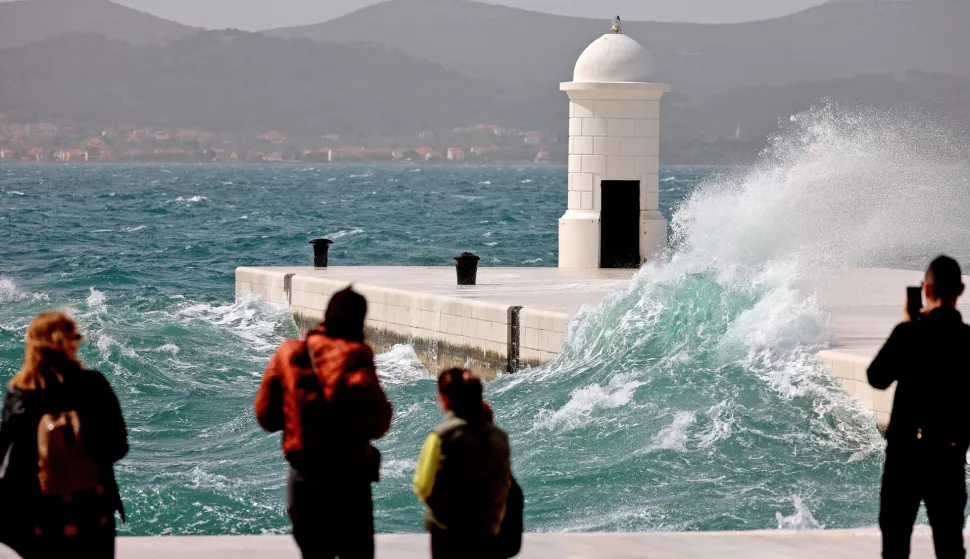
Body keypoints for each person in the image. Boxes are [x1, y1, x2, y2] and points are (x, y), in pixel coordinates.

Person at [255, 286, 392, 559]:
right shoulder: (356, 355)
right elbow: (380, 423)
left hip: (304, 478)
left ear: (327, 314)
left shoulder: (289, 353)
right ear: (359, 321)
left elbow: (266, 417)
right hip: (350, 481)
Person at [0, 311, 128, 559]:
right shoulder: (93, 385)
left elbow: (9, 459)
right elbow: (118, 447)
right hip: (93, 508)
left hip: (41, 512)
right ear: (71, 343)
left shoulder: (21, 394)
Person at [869, 255, 970, 559]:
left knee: (896, 545)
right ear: (961, 290)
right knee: (950, 546)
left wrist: (906, 326)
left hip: (904, 456)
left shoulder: (908, 333)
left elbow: (877, 377)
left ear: (926, 290)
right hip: (949, 456)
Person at [414, 368, 512, 559]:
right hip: (486, 527)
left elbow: (422, 485)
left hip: (448, 529)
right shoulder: (499, 437)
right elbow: (504, 483)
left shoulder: (441, 436)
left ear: (446, 400)